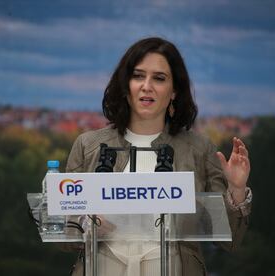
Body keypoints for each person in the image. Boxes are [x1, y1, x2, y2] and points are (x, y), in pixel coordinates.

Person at [65, 37, 252, 276]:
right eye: (138, 76)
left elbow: (230, 240)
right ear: (125, 85)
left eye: (159, 78)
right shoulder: (88, 145)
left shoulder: (199, 149)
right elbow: (64, 234)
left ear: (174, 91)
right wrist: (86, 225)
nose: (147, 86)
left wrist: (236, 189)